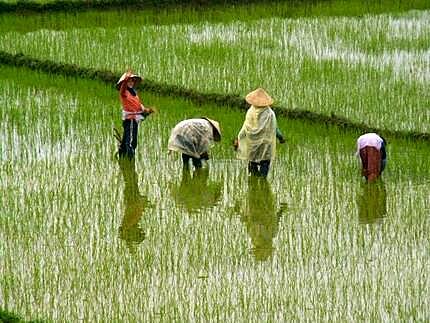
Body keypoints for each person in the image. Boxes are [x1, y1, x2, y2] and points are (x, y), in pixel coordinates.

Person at [234, 88, 285, 177]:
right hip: (266, 144)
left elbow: (245, 128)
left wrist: (238, 138)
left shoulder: (250, 112)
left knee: (252, 162)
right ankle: (262, 182)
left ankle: (253, 182)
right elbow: (274, 128)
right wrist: (280, 137)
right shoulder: (270, 113)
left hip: (252, 143)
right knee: (265, 163)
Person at [116, 70, 154, 159]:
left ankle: (122, 155)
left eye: (132, 81)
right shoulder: (124, 93)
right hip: (130, 120)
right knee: (131, 142)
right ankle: (131, 162)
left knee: (127, 140)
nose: (131, 82)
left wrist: (147, 110)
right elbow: (122, 89)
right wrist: (126, 79)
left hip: (135, 119)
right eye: (129, 81)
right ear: (125, 83)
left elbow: (139, 105)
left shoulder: (134, 93)